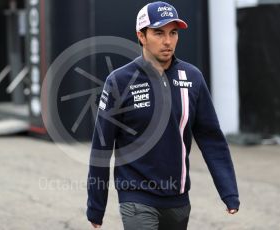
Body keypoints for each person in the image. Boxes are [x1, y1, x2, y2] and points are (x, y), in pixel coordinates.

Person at [86, 1, 240, 229]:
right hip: (136, 198)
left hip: (178, 201)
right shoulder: (119, 81)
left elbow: (211, 138)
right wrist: (96, 206)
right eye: (158, 33)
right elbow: (102, 145)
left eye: (173, 33)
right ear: (141, 36)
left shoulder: (193, 78)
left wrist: (229, 191)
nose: (168, 41)